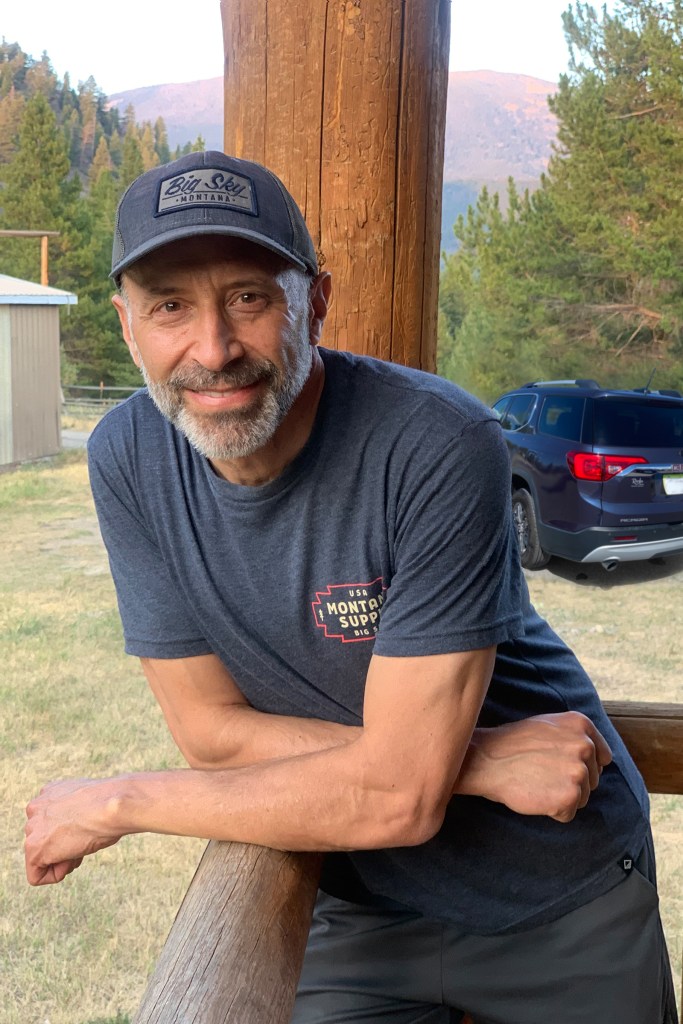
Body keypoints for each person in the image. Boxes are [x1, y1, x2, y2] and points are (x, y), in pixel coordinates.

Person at [25, 151, 677, 1024]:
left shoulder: (438, 440)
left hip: (557, 894)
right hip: (354, 909)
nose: (212, 349)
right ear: (125, 324)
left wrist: (120, 800)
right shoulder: (126, 458)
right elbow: (212, 735)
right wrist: (475, 762)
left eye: (250, 298)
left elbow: (402, 797)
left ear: (315, 302)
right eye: (170, 305)